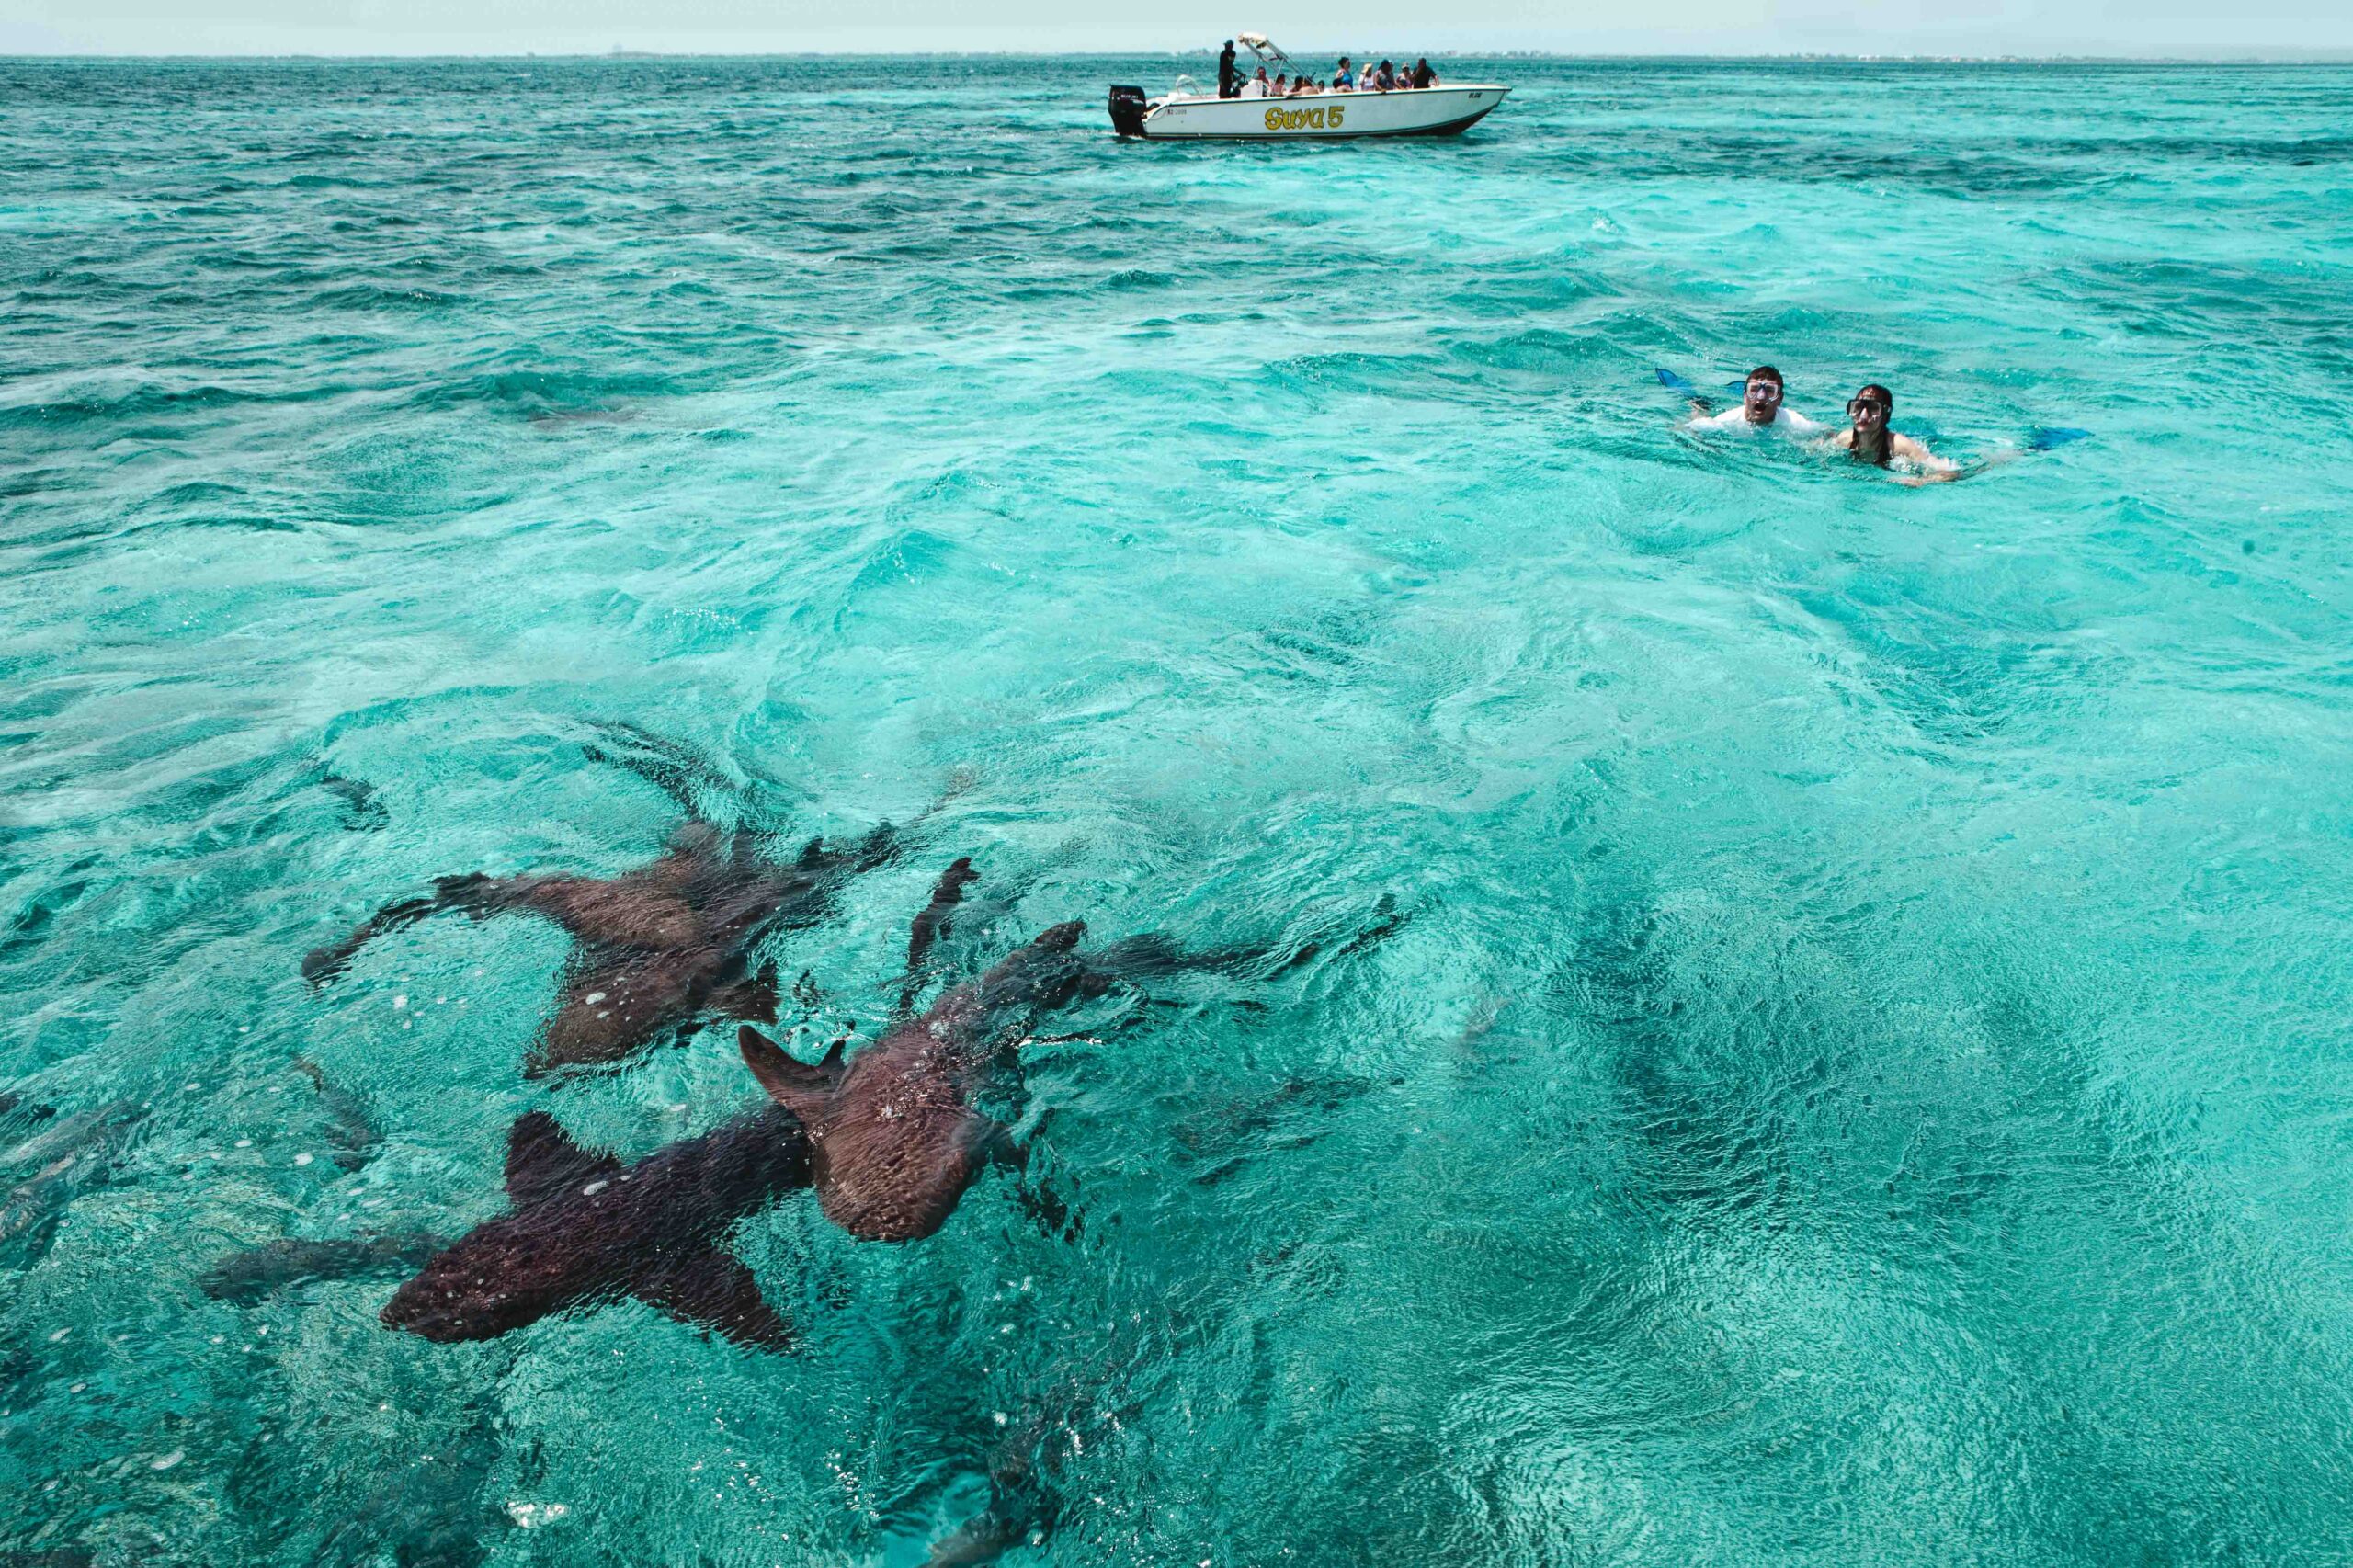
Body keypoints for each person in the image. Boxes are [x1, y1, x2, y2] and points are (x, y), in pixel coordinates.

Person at [1824, 383, 1961, 483]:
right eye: (1858, 408)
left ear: (1886, 415)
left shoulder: (1901, 446)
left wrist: (1922, 480)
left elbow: (1951, 473)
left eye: (1873, 409)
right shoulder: (1845, 439)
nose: (1863, 416)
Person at [1684, 366, 1825, 436]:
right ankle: (1698, 406)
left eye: (1770, 390)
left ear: (1780, 399)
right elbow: (1684, 430)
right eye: (1754, 389)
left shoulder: (1792, 421)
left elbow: (1827, 434)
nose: (1761, 396)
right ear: (1745, 396)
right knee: (1700, 413)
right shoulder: (1727, 421)